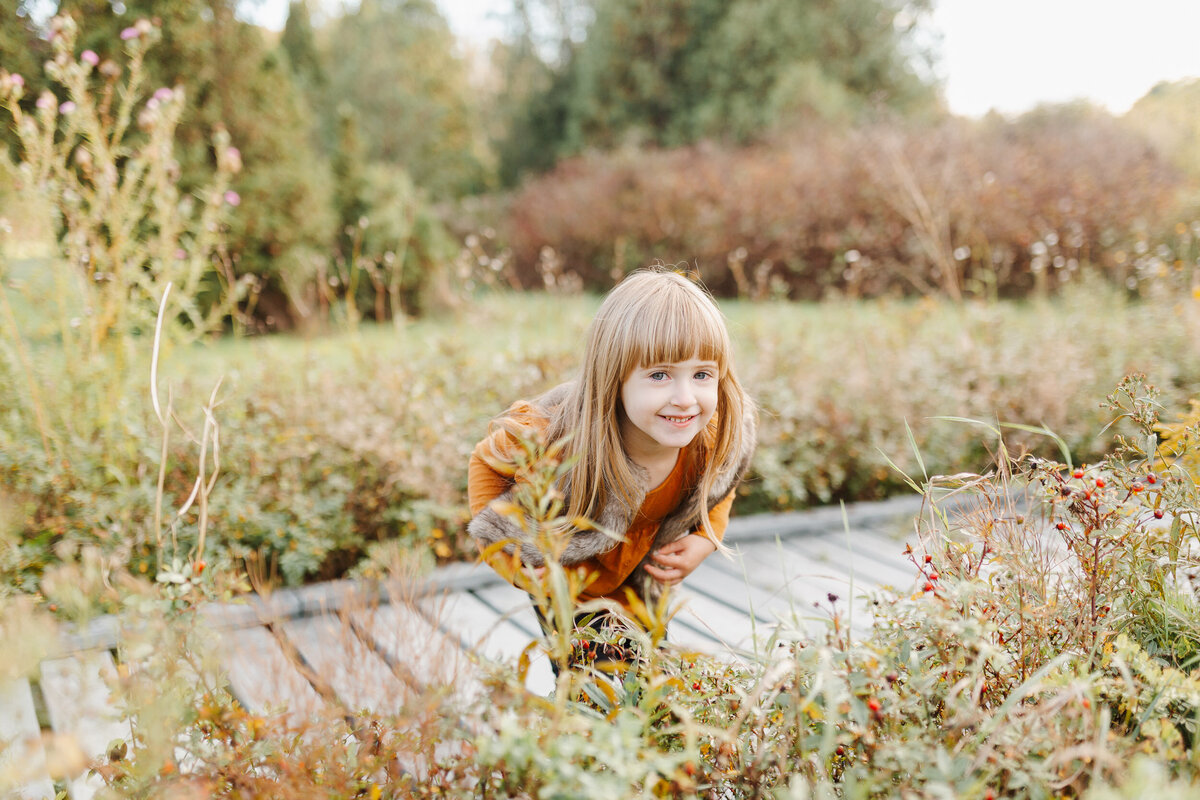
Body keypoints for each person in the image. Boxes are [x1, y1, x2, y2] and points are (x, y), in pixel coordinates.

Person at [466, 267, 757, 666]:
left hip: (641, 576)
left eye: (702, 374)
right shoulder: (554, 436)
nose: (686, 399)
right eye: (660, 375)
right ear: (613, 378)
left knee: (651, 680)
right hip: (571, 580)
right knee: (590, 689)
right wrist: (514, 563)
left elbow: (723, 481)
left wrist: (707, 536)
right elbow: (485, 463)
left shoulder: (710, 436)